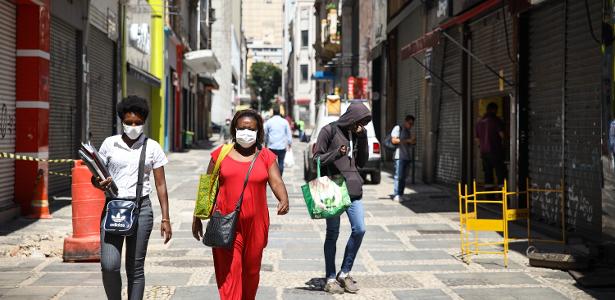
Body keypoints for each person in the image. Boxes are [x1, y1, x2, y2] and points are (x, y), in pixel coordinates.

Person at [192, 109, 290, 300]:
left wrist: (283, 198)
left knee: (252, 272)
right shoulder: (220, 154)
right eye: (242, 128)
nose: (246, 132)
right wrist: (197, 218)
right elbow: (207, 187)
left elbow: (276, 181)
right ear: (234, 130)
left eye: (251, 129)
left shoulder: (266, 156)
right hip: (226, 223)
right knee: (230, 272)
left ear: (258, 131)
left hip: (256, 225)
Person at [93, 95, 172, 300]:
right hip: (113, 208)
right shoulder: (110, 144)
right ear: (122, 121)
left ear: (144, 122)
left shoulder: (152, 147)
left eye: (138, 122)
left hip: (141, 209)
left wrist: (166, 218)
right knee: (109, 265)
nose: (133, 126)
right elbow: (96, 176)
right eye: (129, 122)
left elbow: (161, 184)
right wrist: (98, 183)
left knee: (135, 268)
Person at [313, 102, 371, 294]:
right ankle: (330, 277)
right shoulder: (328, 131)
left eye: (363, 123)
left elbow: (362, 162)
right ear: (351, 117)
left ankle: (344, 273)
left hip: (353, 189)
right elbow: (317, 159)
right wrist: (336, 153)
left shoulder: (357, 134)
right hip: (332, 189)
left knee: (360, 229)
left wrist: (363, 139)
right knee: (333, 234)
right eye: (359, 121)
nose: (360, 125)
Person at [476, 102, 507, 187]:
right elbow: (502, 135)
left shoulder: (479, 122)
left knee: (488, 175)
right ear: (494, 110)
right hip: (495, 151)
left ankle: (489, 197)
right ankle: (502, 196)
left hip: (484, 153)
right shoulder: (496, 120)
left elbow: (477, 139)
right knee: (500, 173)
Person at [390, 115, 416, 202]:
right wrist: (407, 140)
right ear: (406, 121)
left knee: (404, 177)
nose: (411, 125)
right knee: (399, 176)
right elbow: (394, 140)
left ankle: (401, 194)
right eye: (410, 123)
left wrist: (412, 142)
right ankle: (396, 194)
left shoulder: (408, 131)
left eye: (412, 124)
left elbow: (408, 143)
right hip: (399, 157)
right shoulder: (398, 128)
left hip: (406, 156)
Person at [264, 108, 293, 175]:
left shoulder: (269, 122)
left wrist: (265, 143)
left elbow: (265, 134)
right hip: (282, 146)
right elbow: (288, 133)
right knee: (281, 162)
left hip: (271, 146)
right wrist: (289, 143)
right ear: (279, 113)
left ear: (273, 113)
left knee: (271, 163)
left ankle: (272, 176)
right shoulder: (284, 121)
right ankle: (280, 176)